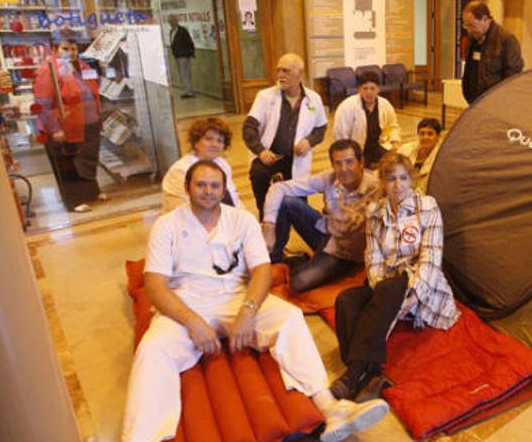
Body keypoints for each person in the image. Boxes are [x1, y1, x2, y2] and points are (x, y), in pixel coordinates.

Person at [122, 160, 388, 442]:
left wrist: (248, 312)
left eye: (215, 185)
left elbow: (261, 270)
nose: (208, 191)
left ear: (224, 189)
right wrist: (192, 321)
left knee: (290, 318)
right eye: (201, 185)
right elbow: (154, 284)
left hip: (236, 297)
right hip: (187, 301)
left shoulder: (241, 220)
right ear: (187, 188)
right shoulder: (168, 225)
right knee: (152, 350)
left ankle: (330, 408)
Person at [330, 153, 459, 400]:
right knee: (345, 300)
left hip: (418, 281)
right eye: (391, 179)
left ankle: (353, 374)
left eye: (403, 178)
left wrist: (412, 296)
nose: (397, 185)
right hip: (386, 281)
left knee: (390, 289)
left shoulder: (427, 207)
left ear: (412, 180)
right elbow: (373, 257)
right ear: (382, 182)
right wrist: (379, 287)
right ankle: (373, 372)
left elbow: (431, 258)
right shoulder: (376, 212)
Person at [262, 139, 378, 290]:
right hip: (327, 233)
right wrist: (269, 225)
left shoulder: (376, 188)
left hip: (347, 253)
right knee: (287, 202)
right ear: (332, 165)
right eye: (338, 163)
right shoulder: (329, 178)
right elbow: (279, 188)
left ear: (361, 162)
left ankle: (306, 262)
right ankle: (273, 259)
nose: (343, 169)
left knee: (298, 282)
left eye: (349, 162)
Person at [243, 53, 327, 217]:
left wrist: (309, 141)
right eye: (279, 70)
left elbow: (321, 128)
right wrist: (260, 151)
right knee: (258, 174)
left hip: (296, 159)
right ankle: (265, 214)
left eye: (286, 71)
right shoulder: (265, 97)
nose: (280, 75)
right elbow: (249, 128)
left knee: (298, 206)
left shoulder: (313, 99)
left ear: (300, 74)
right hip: (269, 157)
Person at [32, 35, 106, 213]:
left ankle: (90, 193)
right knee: (68, 164)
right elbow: (42, 102)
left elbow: (94, 84)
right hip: (64, 125)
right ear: (56, 49)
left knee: (87, 160)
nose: (71, 53)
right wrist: (54, 128)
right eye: (65, 49)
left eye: (73, 48)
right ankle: (73, 200)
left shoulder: (81, 65)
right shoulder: (48, 69)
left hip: (87, 122)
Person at [161, 117, 242, 213]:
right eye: (209, 139)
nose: (214, 144)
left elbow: (235, 200)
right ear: (195, 142)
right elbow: (184, 213)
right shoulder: (180, 171)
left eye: (219, 141)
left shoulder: (222, 164)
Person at [333, 72, 401, 171]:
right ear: (359, 89)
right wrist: (348, 155)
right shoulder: (347, 106)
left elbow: (393, 126)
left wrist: (395, 141)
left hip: (377, 146)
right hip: (356, 150)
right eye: (365, 88)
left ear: (378, 89)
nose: (369, 92)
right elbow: (341, 135)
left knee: (393, 166)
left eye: (372, 88)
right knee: (360, 177)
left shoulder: (385, 104)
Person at [461, 0, 524, 104]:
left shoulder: (506, 39)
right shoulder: (472, 39)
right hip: (474, 102)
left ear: (485, 19)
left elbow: (512, 77)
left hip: (496, 104)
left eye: (472, 25)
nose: (469, 30)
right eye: (466, 25)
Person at [397, 118, 442, 191]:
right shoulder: (406, 149)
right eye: (422, 133)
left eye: (430, 134)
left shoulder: (441, 157)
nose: (425, 137)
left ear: (438, 137)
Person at [168, 15, 195, 99]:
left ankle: (189, 91)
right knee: (182, 73)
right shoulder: (171, 31)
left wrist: (191, 52)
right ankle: (188, 90)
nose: (171, 23)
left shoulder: (182, 30)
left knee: (185, 73)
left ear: (176, 21)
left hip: (183, 55)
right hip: (177, 55)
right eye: (170, 22)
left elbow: (189, 42)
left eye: (172, 21)